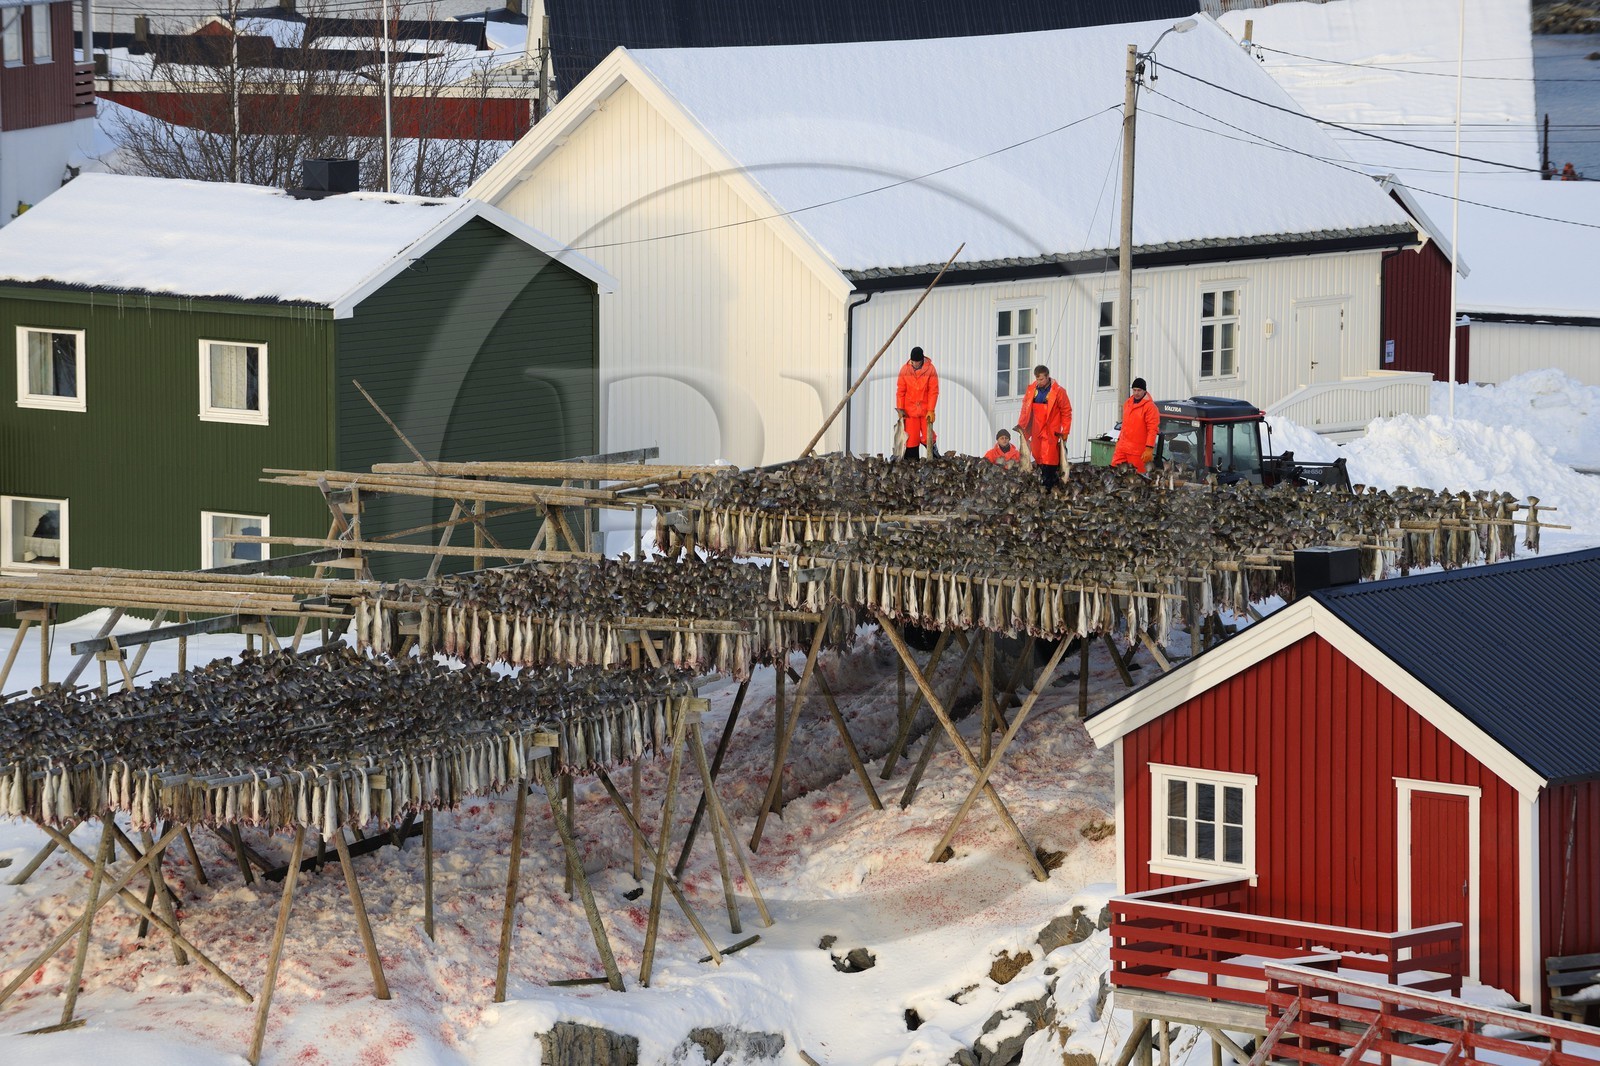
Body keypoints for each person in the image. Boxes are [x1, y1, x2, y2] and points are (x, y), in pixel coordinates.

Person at [1015, 364, 1071, 490]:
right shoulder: (1031, 390)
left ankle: (1049, 486)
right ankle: (1042, 484)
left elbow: (1066, 412)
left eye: (1041, 379)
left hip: (1051, 430)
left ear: (1047, 377)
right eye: (1037, 379)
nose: (1038, 382)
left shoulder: (1059, 391)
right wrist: (1022, 425)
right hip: (1036, 428)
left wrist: (1065, 430)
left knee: (1050, 459)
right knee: (1037, 455)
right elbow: (1025, 408)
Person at [895, 346, 939, 460]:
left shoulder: (931, 369)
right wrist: (900, 409)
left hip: (925, 411)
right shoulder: (904, 370)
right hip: (910, 412)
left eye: (917, 362)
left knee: (927, 437)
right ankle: (911, 465)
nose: (914, 364)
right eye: (912, 361)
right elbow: (900, 391)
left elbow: (933, 391)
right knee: (911, 440)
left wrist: (931, 410)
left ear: (922, 360)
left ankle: (934, 460)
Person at [1111, 377, 1160, 472]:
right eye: (1134, 390)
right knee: (1114, 472)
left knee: (1137, 479)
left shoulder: (1150, 407)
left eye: (1139, 390)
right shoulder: (1128, 403)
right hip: (1122, 448)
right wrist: (1119, 442)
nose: (1136, 393)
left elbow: (1152, 429)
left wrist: (1149, 448)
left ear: (1144, 391)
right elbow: (1125, 425)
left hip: (1138, 452)